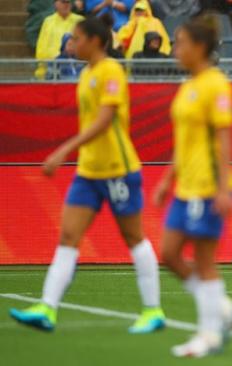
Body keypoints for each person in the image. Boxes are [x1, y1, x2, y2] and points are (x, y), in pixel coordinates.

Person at [9, 17, 165, 334]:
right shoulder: (87, 73)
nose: (72, 43)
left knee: (134, 238)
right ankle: (47, 308)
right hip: (88, 172)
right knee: (68, 236)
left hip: (118, 170)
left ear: (95, 41)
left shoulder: (110, 71)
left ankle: (153, 310)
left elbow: (106, 120)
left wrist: (63, 149)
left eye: (77, 38)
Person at [152, 15, 232, 357]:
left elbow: (223, 139)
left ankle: (209, 336)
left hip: (208, 187)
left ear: (200, 47)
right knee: (169, 254)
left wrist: (223, 188)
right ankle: (224, 310)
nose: (175, 49)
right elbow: (185, 142)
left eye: (181, 43)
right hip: (185, 186)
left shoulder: (215, 84)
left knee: (204, 262)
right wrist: (166, 179)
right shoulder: (187, 86)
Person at [35, 0, 84, 79]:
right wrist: (41, 69)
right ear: (55, 4)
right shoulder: (48, 21)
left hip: (74, 67)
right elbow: (41, 47)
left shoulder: (80, 21)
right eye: (63, 2)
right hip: (51, 68)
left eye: (68, 2)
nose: (66, 5)